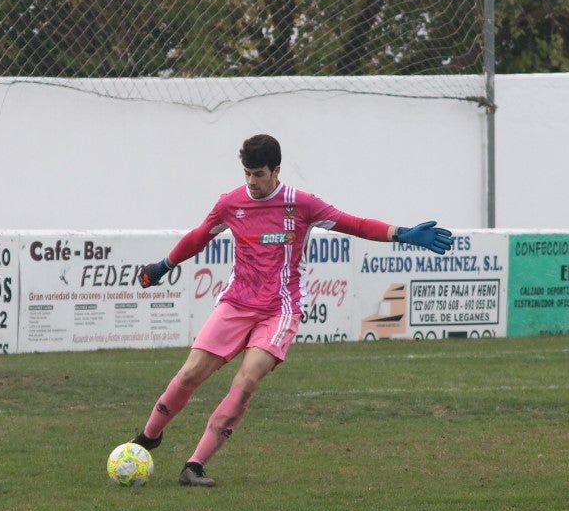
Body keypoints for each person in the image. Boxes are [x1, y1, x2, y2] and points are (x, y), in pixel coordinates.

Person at [130, 133, 454, 487]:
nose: (252, 182)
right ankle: (148, 437)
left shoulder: (301, 205)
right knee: (191, 373)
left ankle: (194, 466)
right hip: (236, 303)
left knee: (246, 379)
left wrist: (401, 233)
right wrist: (162, 265)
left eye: (259, 174)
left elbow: (354, 224)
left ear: (277, 171)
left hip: (279, 310)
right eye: (247, 174)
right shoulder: (231, 204)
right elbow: (199, 235)